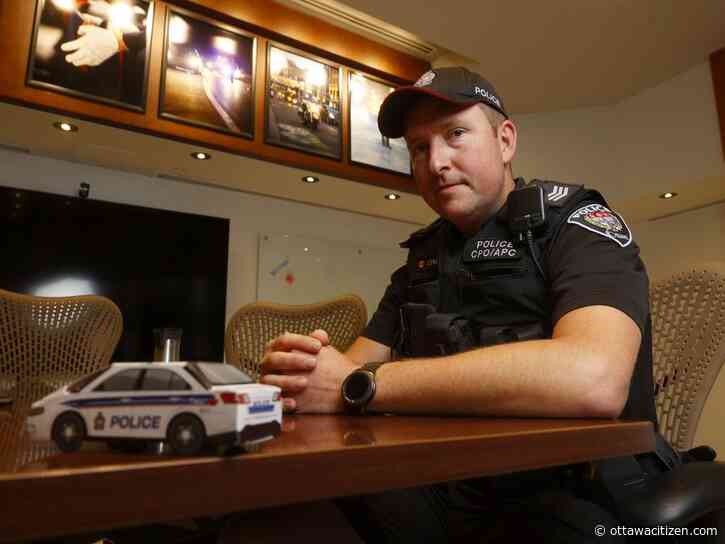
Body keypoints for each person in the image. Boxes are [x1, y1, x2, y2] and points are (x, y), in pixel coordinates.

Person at [257, 66, 656, 543]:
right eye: (420, 148)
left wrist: (360, 385)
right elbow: (347, 370)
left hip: (573, 489)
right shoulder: (424, 257)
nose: (436, 162)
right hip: (443, 482)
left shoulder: (577, 225)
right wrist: (305, 373)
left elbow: (595, 378)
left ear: (505, 141)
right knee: (270, 513)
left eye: (455, 134)